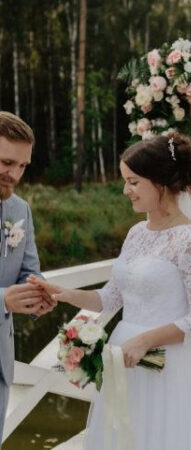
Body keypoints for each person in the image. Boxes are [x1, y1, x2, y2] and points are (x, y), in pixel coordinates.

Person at [29, 132, 191, 449]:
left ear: (160, 183)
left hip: (170, 363)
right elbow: (111, 297)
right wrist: (65, 293)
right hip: (125, 358)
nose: (125, 190)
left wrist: (146, 340)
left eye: (133, 182)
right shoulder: (136, 232)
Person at [0, 111, 55, 448]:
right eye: (7, 162)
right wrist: (3, 299)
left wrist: (40, 293)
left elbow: (29, 270)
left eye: (22, 166)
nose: (15, 174)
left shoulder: (21, 210)